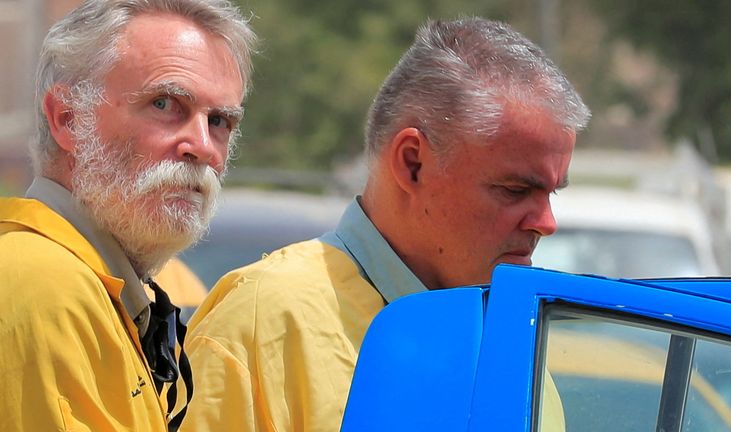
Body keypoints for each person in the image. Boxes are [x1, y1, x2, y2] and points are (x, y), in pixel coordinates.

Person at [184, 17, 590, 432]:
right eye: (514, 190)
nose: (546, 222)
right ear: (413, 163)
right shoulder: (265, 323)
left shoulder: (514, 347)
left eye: (551, 193)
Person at [0, 1, 256, 430]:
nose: (203, 146)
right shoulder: (44, 280)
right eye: (164, 104)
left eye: (219, 121)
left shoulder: (103, 287)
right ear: (68, 119)